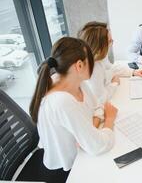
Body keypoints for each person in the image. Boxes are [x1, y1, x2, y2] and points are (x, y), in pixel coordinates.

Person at [29, 37, 117, 182]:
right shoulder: (62, 101)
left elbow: (97, 108)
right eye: (91, 60)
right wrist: (109, 120)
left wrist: (88, 130)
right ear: (80, 65)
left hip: (81, 155)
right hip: (67, 171)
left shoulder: (76, 81)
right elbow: (97, 146)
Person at [78, 22, 142, 119]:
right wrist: (114, 84)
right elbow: (100, 99)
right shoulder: (93, 69)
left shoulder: (100, 56)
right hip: (98, 111)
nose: (112, 42)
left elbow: (111, 68)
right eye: (110, 41)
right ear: (99, 46)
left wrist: (133, 72)